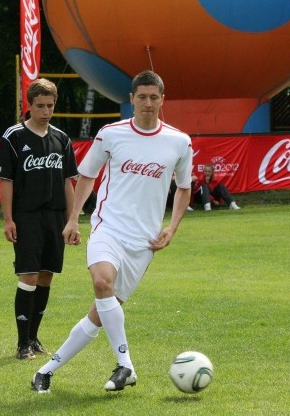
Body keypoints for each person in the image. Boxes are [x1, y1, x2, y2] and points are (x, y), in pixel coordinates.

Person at [31, 70, 193, 393]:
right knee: (102, 281)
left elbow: (184, 188)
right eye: (142, 97)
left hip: (144, 242)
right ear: (131, 100)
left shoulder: (179, 141)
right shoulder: (111, 134)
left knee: (100, 313)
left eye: (154, 97)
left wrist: (171, 228)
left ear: (163, 100)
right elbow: (87, 176)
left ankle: (46, 372)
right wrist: (74, 218)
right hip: (108, 228)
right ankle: (126, 365)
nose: (148, 103)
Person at [0, 78, 78, 360]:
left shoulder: (61, 138)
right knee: (28, 275)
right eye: (40, 106)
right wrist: (8, 219)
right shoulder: (14, 136)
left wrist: (72, 220)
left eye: (50, 106)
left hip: (55, 217)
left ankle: (34, 336)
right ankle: (22, 344)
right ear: (29, 106)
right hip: (26, 216)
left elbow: (68, 182)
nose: (46, 111)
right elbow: (6, 181)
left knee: (46, 276)